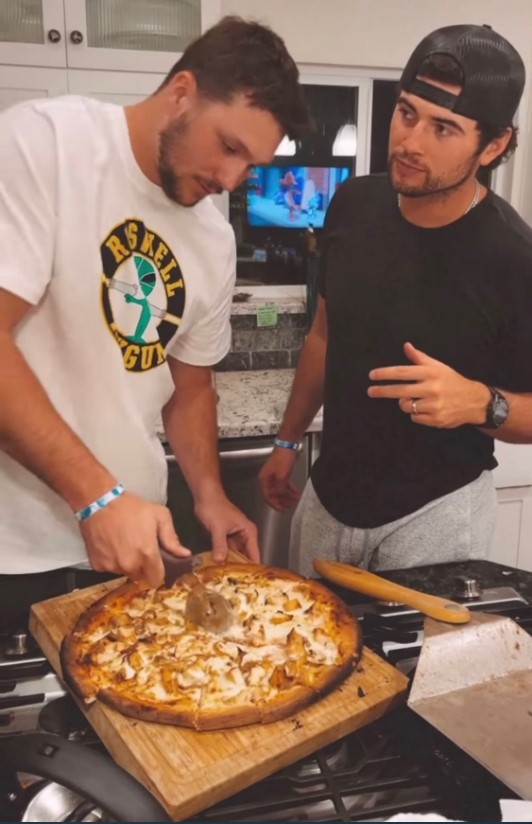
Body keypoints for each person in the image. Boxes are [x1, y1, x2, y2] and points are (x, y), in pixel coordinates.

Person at [0, 16, 311, 587]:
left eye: (251, 166)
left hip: (132, 543)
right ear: (181, 93)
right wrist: (96, 498)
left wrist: (210, 496)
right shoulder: (44, 144)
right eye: (228, 146)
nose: (231, 178)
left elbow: (190, 387)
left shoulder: (213, 241)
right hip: (14, 549)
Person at [260, 24, 532, 577]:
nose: (411, 142)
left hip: (437, 514)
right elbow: (324, 335)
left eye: (444, 128)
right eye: (407, 113)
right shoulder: (351, 205)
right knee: (300, 657)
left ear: (495, 143)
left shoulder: (515, 259)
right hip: (329, 497)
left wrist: (481, 403)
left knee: (416, 666)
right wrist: (287, 440)